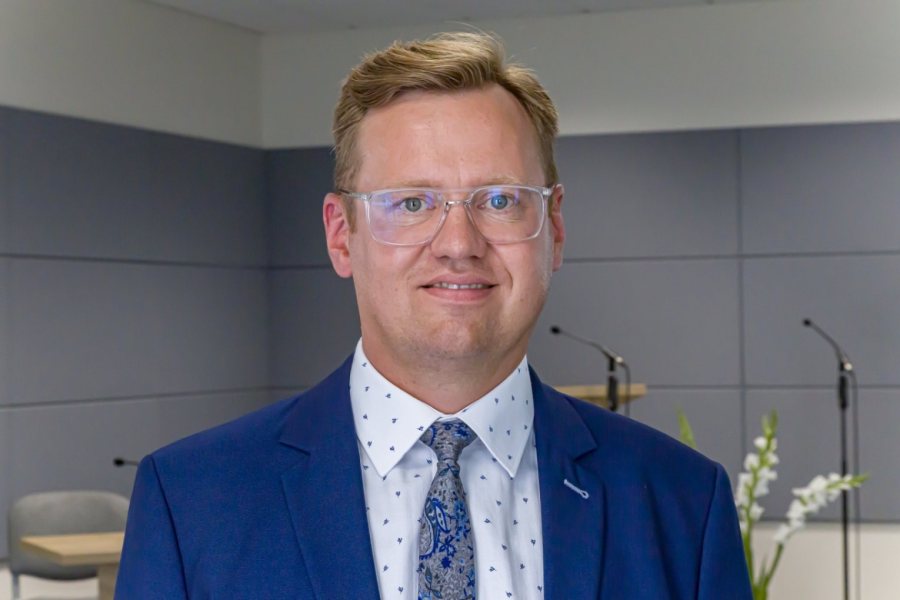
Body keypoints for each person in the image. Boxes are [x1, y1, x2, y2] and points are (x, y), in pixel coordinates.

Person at [116, 32, 751, 599]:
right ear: (341, 235)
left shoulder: (684, 504)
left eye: (499, 200)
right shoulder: (192, 503)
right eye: (412, 202)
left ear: (553, 228)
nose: (458, 244)